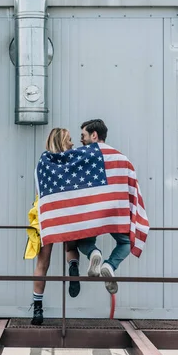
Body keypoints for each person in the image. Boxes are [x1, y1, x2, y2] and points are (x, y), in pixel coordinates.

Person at [31, 128, 80, 326]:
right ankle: (73, 266)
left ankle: (37, 308)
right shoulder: (72, 161)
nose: (72, 143)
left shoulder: (43, 163)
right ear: (61, 142)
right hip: (67, 212)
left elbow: (39, 187)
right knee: (71, 247)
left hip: (46, 214)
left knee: (42, 264)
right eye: (69, 140)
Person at [77, 119, 131, 295]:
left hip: (91, 210)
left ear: (94, 135)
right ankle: (109, 265)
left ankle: (94, 254)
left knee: (83, 241)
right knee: (126, 243)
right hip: (115, 211)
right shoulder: (122, 158)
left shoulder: (80, 155)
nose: (81, 140)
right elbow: (130, 187)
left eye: (83, 135)